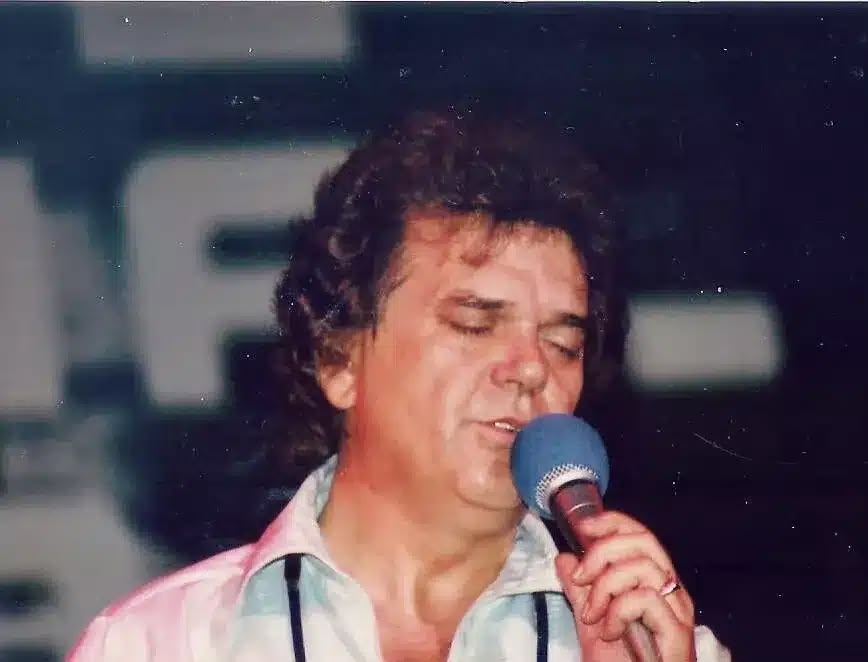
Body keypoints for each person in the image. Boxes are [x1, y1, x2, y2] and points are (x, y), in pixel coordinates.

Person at [68, 109, 731, 661]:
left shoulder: (652, 646)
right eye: (475, 325)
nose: (532, 369)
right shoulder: (159, 644)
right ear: (339, 358)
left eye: (563, 344)